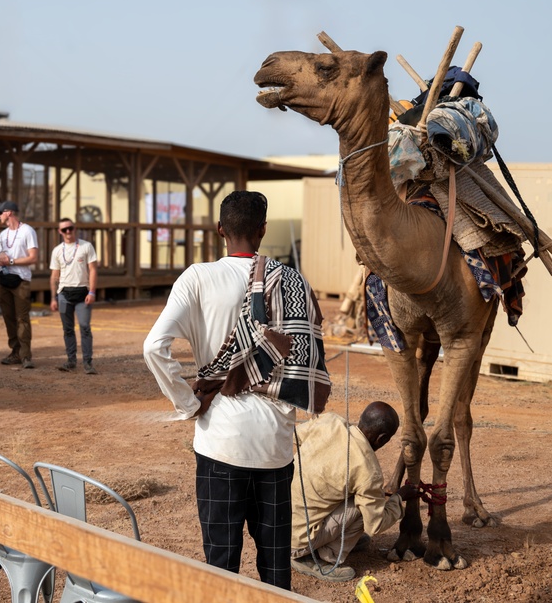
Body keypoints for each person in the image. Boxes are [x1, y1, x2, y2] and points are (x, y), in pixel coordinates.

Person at [143, 190, 329, 590]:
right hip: (274, 447)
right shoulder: (292, 281)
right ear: (263, 231)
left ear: (219, 230)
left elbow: (154, 347)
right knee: (275, 571)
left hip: (220, 445)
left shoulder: (197, 277)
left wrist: (187, 403)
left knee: (220, 568)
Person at [290, 403, 420, 582]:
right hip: (295, 541)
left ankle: (323, 540)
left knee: (351, 490)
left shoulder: (330, 421)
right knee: (364, 509)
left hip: (276, 522)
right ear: (382, 439)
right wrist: (399, 498)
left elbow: (293, 436)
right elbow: (375, 525)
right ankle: (321, 555)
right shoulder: (368, 470)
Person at [48, 218, 98, 374]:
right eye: (64, 229)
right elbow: (54, 276)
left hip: (83, 293)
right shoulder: (57, 250)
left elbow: (93, 269)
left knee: (84, 326)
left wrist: (92, 291)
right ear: (60, 232)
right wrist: (53, 297)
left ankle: (88, 362)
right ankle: (71, 361)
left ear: (75, 228)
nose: (68, 231)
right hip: (64, 294)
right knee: (67, 329)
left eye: (70, 228)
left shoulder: (86, 246)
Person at [0, 201, 38, 369]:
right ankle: (15, 352)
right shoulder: (2, 235)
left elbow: (33, 258)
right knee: (8, 317)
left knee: (22, 318)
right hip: (4, 280)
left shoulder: (27, 231)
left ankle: (26, 356)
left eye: (0, 212)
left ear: (9, 213)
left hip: (21, 280)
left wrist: (11, 261)